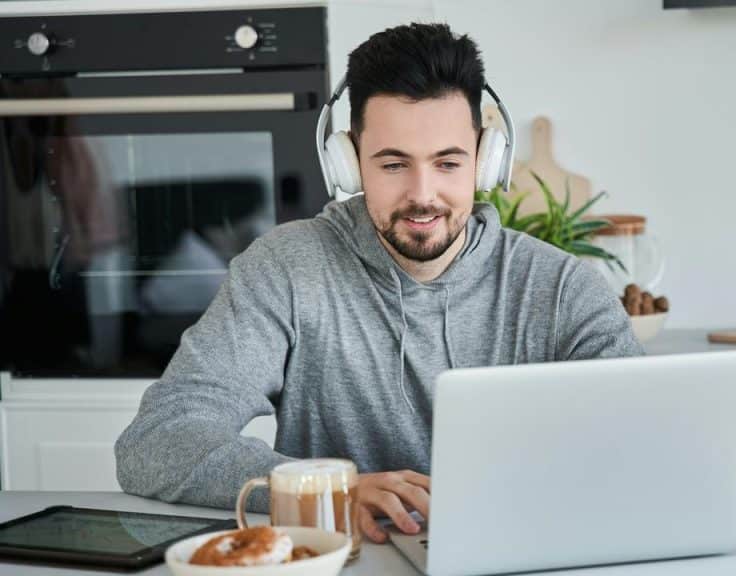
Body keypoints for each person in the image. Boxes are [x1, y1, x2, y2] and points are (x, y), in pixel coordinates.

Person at [115, 22, 641, 544]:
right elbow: (154, 444)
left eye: (447, 162)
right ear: (347, 164)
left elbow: (646, 442)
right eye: (393, 164)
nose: (423, 194)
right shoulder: (286, 269)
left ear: (485, 161)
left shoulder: (561, 287)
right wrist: (333, 489)